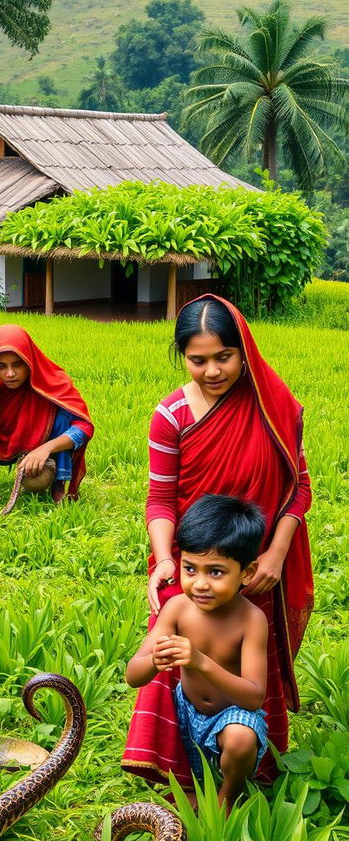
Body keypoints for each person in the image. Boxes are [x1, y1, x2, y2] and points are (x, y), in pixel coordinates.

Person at [122, 294, 313, 788]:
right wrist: (166, 560)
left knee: (248, 659)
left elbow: (298, 489)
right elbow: (160, 499)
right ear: (181, 355)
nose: (212, 370)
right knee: (173, 657)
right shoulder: (171, 414)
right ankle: (174, 769)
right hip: (193, 556)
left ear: (243, 349)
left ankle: (246, 763)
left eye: (223, 357)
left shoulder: (274, 406)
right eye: (198, 359)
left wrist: (273, 554)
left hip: (251, 562)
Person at [126, 495, 268, 811]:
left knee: (240, 738)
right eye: (190, 568)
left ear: (247, 572)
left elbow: (255, 697)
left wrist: (201, 662)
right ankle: (194, 787)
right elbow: (133, 675)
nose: (200, 584)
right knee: (174, 753)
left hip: (233, 716)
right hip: (186, 715)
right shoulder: (177, 608)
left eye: (216, 572)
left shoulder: (251, 620)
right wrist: (154, 662)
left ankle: (228, 798)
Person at [0, 325, 94, 513]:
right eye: (1, 366)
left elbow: (84, 427)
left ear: (30, 360)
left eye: (17, 364)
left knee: (63, 419)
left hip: (44, 443)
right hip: (2, 445)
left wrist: (45, 449)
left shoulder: (55, 381)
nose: (10, 374)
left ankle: (58, 489)